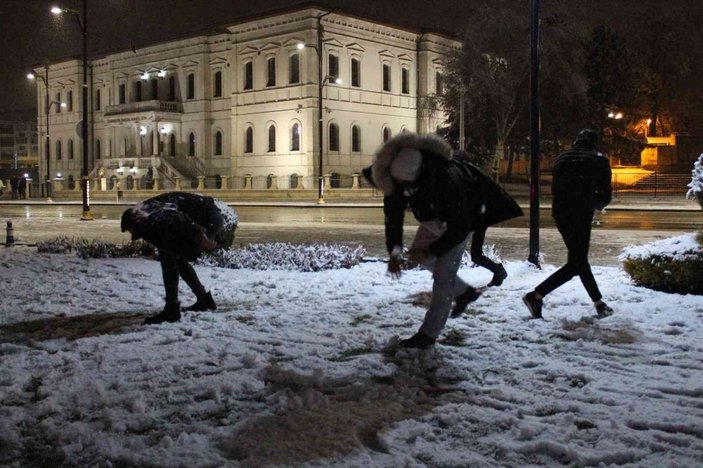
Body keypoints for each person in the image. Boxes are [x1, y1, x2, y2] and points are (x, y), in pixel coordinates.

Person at [369, 132, 482, 349]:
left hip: (463, 218)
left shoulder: (446, 179)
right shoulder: (393, 179)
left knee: (443, 275)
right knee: (419, 257)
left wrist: (432, 251)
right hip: (433, 218)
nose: (403, 190)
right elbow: (393, 219)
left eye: (408, 185)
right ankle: (465, 293)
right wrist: (394, 253)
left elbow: (460, 226)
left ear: (420, 174)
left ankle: (428, 335)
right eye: (399, 184)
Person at [523, 129, 614, 319]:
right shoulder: (598, 160)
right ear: (594, 143)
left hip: (561, 213)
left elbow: (557, 188)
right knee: (576, 263)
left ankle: (598, 303)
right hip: (581, 214)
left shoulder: (562, 158)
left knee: (578, 261)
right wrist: (594, 200)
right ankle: (536, 295)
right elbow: (605, 197)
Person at [121, 192, 238, 324]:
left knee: (169, 257)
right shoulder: (147, 211)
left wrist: (200, 237)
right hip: (204, 215)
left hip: (207, 218)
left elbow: (178, 218)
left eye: (133, 231)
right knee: (174, 257)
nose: (135, 235)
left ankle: (173, 309)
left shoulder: (155, 216)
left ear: (136, 222)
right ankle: (202, 300)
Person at [452, 150, 523, 297]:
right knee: (475, 255)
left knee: (463, 252)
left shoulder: (466, 175)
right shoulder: (472, 173)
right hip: (478, 218)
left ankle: (498, 272)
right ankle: (498, 271)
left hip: (477, 218)